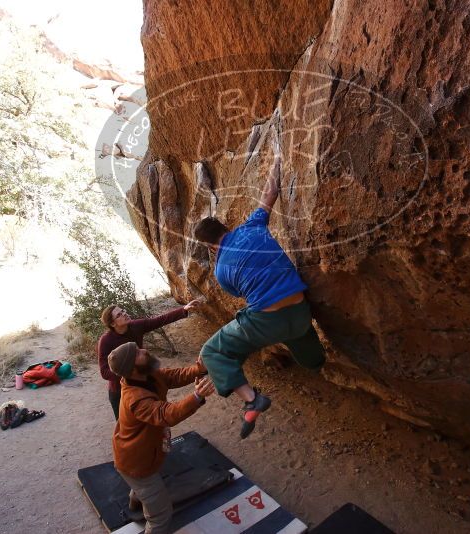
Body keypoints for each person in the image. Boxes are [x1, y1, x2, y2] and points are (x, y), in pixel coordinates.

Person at [193, 143, 325, 439]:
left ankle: (252, 400)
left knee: (214, 350)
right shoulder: (252, 226)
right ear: (225, 225)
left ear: (210, 246)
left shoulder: (221, 269)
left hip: (268, 323)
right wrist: (279, 157)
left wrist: (222, 259)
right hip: (301, 312)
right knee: (299, 335)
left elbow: (240, 293)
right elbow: (270, 192)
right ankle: (315, 363)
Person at [108, 342, 214, 534]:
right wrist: (197, 396)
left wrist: (199, 368)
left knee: (142, 488)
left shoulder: (146, 374)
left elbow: (172, 376)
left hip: (138, 455)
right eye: (138, 353)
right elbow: (167, 414)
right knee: (161, 516)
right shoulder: (135, 399)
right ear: (132, 368)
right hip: (136, 463)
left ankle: (135, 502)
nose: (144, 350)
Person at [97, 300, 201, 419]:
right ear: (113, 324)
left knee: (154, 416)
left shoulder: (136, 326)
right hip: (119, 391)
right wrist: (129, 374)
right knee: (127, 424)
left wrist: (184, 310)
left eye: (122, 310)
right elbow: (104, 372)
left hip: (142, 381)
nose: (124, 313)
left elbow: (159, 320)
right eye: (119, 314)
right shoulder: (106, 341)